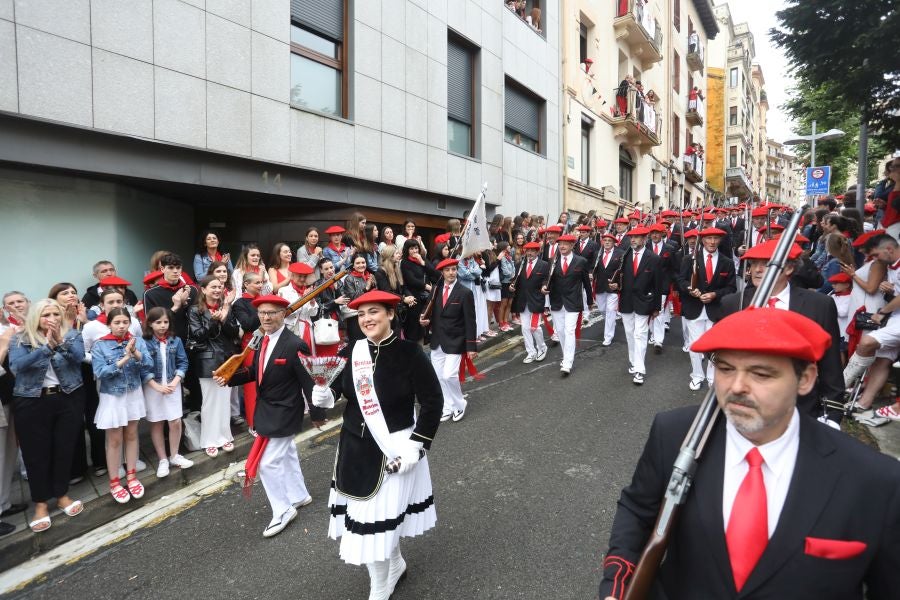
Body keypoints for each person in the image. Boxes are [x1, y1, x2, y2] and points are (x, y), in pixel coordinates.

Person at [598, 307, 900, 600]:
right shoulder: (674, 433)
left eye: (761, 373)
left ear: (806, 379)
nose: (737, 387)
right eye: (725, 368)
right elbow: (638, 511)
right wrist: (616, 587)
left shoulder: (876, 481)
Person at [322, 290, 442, 599]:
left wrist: (417, 446)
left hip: (396, 448)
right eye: (361, 314)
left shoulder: (410, 353)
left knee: (376, 520)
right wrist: (324, 395)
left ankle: (379, 588)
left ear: (390, 314)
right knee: (375, 519)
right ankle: (396, 564)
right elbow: (337, 387)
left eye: (373, 312)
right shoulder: (353, 351)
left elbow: (432, 402)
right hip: (354, 448)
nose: (366, 319)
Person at [216, 295, 324, 538]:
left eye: (272, 312)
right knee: (286, 455)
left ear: (284, 314)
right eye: (262, 313)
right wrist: (231, 378)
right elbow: (258, 371)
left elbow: (308, 381)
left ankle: (283, 510)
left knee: (267, 463)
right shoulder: (263, 340)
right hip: (268, 408)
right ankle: (298, 496)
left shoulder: (295, 344)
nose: (266, 317)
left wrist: (317, 413)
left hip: (286, 411)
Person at [721, 240, 844, 426]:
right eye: (754, 263)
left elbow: (830, 364)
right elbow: (720, 357)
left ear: (788, 269)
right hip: (745, 405)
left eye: (766, 264)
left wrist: (832, 416)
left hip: (801, 407)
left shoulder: (819, 305)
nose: (757, 270)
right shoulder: (733, 304)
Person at [9, 299, 87, 532]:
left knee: (64, 449)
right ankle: (41, 503)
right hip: (32, 400)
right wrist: (45, 348)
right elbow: (17, 366)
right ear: (36, 318)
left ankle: (61, 494)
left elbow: (79, 358)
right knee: (36, 454)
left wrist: (60, 343)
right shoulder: (21, 338)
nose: (51, 319)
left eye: (55, 314)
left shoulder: (71, 334)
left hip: (67, 396)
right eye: (46, 315)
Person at [92, 307, 152, 505]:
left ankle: (132, 476)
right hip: (113, 396)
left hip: (133, 393)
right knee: (115, 439)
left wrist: (135, 353)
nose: (121, 326)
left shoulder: (136, 340)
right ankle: (115, 482)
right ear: (109, 324)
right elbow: (101, 372)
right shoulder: (100, 345)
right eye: (116, 322)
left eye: (124, 322)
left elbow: (148, 364)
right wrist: (125, 358)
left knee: (132, 434)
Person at [844, 234, 900, 420]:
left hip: (892, 316)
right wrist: (890, 290)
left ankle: (843, 382)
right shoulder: (891, 265)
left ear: (889, 250)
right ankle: (863, 403)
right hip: (895, 316)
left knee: (867, 342)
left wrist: (882, 312)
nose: (875, 260)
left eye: (876, 255)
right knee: (882, 359)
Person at [676, 228, 736, 391]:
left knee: (713, 346)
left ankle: (711, 376)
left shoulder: (727, 262)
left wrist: (714, 294)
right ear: (702, 240)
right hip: (693, 308)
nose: (712, 242)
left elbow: (731, 288)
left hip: (715, 309)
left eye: (716, 238)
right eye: (708, 238)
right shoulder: (689, 259)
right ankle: (697, 375)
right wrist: (690, 289)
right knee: (695, 345)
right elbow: (680, 280)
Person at [188, 276, 239, 457]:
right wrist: (213, 321)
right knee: (209, 402)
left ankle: (225, 436)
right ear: (203, 289)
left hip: (226, 359)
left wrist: (224, 317)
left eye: (220, 286)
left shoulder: (226, 307)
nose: (217, 290)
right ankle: (209, 440)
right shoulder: (195, 310)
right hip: (207, 359)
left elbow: (234, 332)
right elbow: (198, 335)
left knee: (224, 400)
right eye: (213, 287)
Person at [420, 259, 476, 422]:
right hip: (437, 340)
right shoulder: (436, 289)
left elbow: (470, 321)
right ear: (442, 273)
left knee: (449, 375)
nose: (451, 273)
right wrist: (423, 319)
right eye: (448, 270)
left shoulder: (465, 292)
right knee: (438, 377)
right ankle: (447, 406)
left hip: (456, 340)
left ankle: (460, 404)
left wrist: (471, 346)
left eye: (454, 269)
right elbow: (428, 309)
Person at [142, 308, 193, 478]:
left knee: (175, 421)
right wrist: (156, 386)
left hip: (172, 385)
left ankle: (174, 455)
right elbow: (142, 367)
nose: (162, 325)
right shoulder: (144, 342)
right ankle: (163, 459)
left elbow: (183, 362)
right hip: (153, 388)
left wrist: (176, 381)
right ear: (150, 323)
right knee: (157, 422)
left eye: (165, 322)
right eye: (158, 322)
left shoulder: (175, 340)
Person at [609, 226, 662, 385]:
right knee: (630, 333)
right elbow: (620, 278)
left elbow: (657, 285)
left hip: (644, 301)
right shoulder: (625, 256)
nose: (633, 240)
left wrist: (656, 307)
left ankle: (640, 369)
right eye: (631, 237)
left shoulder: (653, 258)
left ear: (644, 239)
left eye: (637, 237)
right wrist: (615, 285)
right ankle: (633, 361)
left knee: (640, 334)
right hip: (626, 300)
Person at [542, 234, 593, 376]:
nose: (562, 246)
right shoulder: (552, 261)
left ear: (572, 246)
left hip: (573, 301)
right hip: (557, 301)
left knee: (570, 331)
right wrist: (544, 287)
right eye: (560, 244)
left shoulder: (581, 261)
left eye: (565, 244)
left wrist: (589, 301)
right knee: (561, 331)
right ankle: (566, 356)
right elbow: (547, 280)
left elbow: (586, 284)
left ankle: (568, 362)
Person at [232, 272, 264, 430]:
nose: (260, 285)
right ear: (246, 284)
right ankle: (253, 423)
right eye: (257, 283)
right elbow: (247, 323)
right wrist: (264, 311)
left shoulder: (264, 299)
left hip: (267, 340)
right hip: (251, 344)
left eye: (261, 282)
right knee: (251, 385)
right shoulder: (240, 303)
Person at [510, 242, 549, 363]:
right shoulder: (519, 264)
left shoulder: (544, 265)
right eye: (528, 251)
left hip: (536, 300)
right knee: (525, 328)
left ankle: (542, 348)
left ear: (537, 252)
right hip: (522, 300)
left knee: (534, 327)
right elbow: (515, 280)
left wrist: (544, 286)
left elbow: (547, 279)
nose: (530, 253)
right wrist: (511, 286)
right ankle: (531, 352)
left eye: (533, 251)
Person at [399, 239, 436, 343]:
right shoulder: (405, 262)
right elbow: (411, 280)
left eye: (416, 248)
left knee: (426, 321)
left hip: (426, 296)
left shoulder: (422, 258)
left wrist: (423, 262)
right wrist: (426, 286)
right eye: (411, 248)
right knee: (415, 326)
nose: (414, 251)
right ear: (407, 250)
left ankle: (424, 342)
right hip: (414, 295)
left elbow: (433, 272)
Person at [278, 262, 320, 351]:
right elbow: (283, 312)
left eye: (304, 276)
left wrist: (311, 300)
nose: (302, 279)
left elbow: (314, 313)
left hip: (306, 329)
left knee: (306, 357)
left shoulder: (308, 291)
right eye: (299, 276)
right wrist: (303, 299)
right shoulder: (283, 290)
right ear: (292, 276)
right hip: (289, 328)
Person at [593, 233, 625, 346]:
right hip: (600, 286)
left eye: (609, 241)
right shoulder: (598, 254)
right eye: (605, 240)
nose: (606, 242)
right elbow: (594, 269)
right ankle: (610, 323)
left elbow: (622, 272)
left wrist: (618, 284)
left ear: (613, 243)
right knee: (602, 310)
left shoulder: (620, 254)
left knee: (611, 311)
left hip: (613, 288)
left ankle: (608, 336)